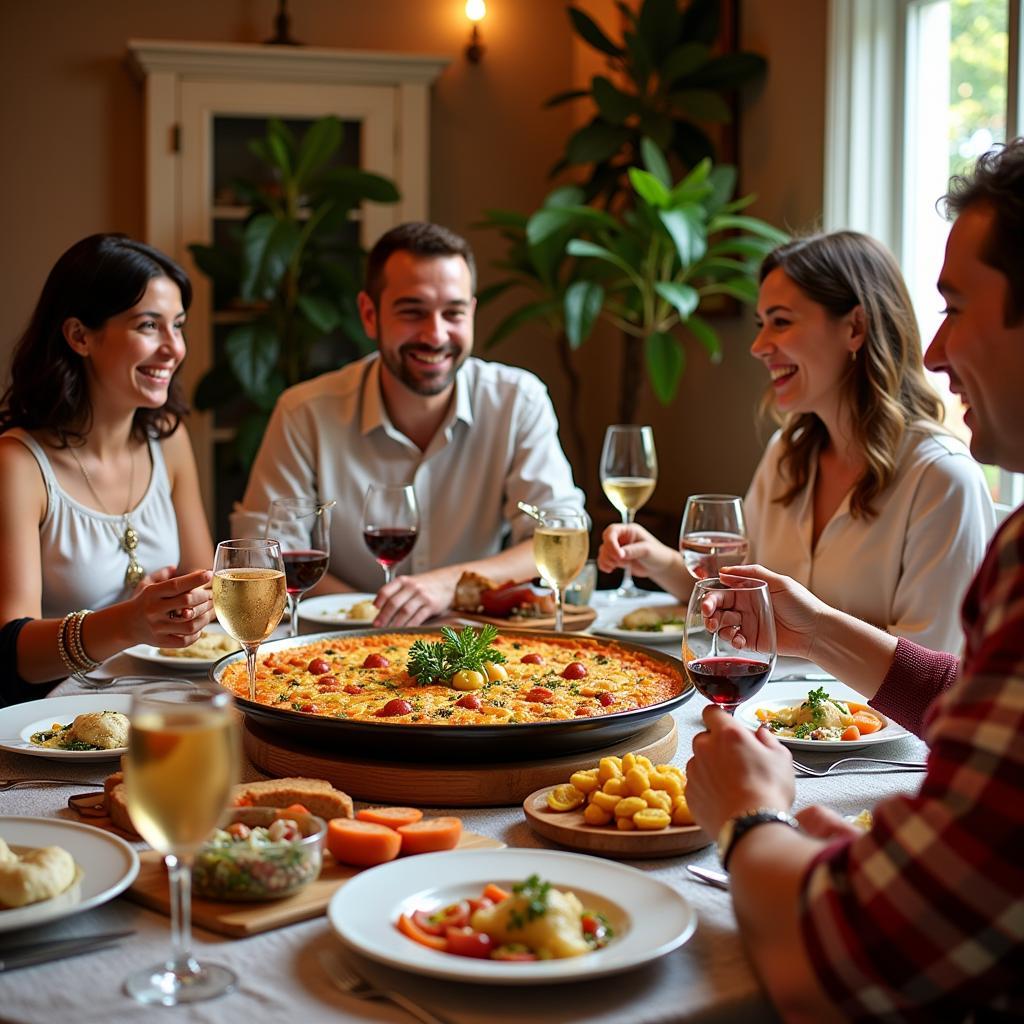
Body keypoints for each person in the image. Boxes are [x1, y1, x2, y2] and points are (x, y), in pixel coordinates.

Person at [684, 141, 1024, 1022]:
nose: (938, 350)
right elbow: (974, 697)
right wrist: (811, 626)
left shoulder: (957, 490)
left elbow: (840, 960)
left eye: (956, 307)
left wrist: (750, 820)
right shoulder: (790, 451)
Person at [599, 231, 995, 653]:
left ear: (855, 328)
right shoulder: (785, 453)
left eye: (781, 322)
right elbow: (735, 592)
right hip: (771, 708)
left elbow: (929, 673)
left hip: (874, 721)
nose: (757, 346)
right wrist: (657, 560)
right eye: (761, 323)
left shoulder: (942, 479)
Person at [232, 221, 582, 627]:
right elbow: (264, 559)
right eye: (412, 312)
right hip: (334, 653)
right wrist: (382, 615)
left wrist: (447, 585)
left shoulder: (518, 400)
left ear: (471, 313)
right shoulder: (303, 412)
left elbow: (559, 540)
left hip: (477, 648)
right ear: (369, 314)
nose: (435, 336)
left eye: (453, 313)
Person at [0, 234, 215, 704]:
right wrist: (130, 620)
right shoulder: (18, 463)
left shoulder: (169, 439)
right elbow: (12, 652)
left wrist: (181, 601)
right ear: (80, 336)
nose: (174, 348)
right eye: (148, 326)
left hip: (160, 698)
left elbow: (207, 589)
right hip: (53, 720)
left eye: (177, 326)